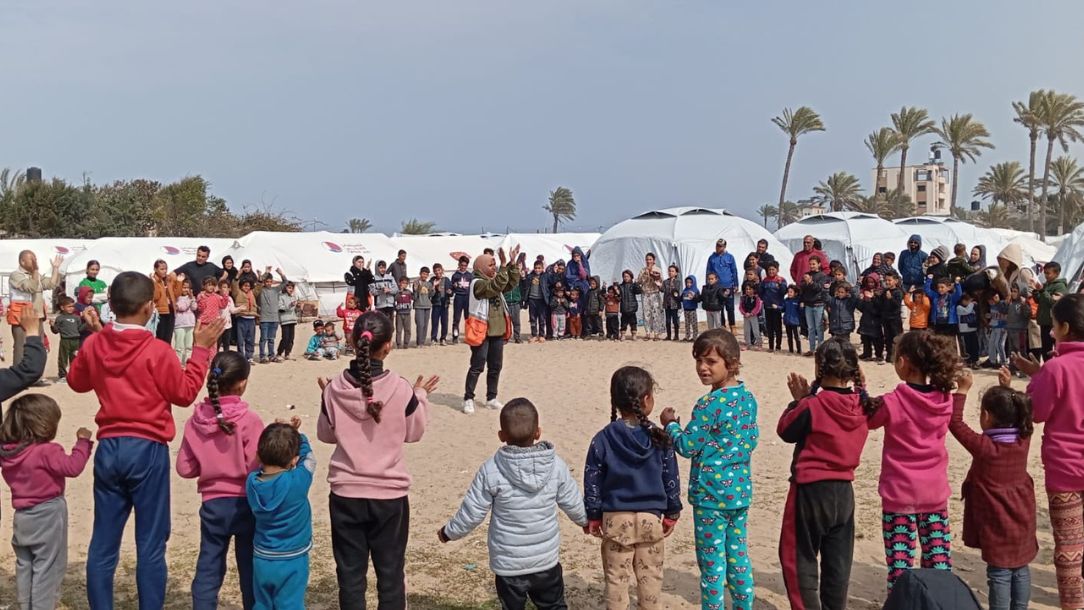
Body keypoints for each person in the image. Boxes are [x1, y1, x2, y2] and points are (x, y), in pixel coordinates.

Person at [67, 271, 224, 609]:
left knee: (103, 542)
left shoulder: (96, 343)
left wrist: (97, 338)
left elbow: (77, 383)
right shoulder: (158, 350)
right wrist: (200, 351)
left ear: (110, 304)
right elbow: (183, 394)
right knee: (151, 543)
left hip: (109, 447)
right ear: (150, 307)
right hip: (147, 448)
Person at [317, 310, 437, 610]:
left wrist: (329, 398)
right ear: (388, 346)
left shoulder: (334, 389)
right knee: (391, 573)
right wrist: (420, 396)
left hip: (346, 493)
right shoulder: (400, 387)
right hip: (389, 496)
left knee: (350, 576)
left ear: (352, 339)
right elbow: (414, 433)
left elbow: (326, 435)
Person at [440, 398, 584, 609]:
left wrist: (449, 532)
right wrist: (587, 521)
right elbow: (572, 501)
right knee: (554, 605)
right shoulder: (556, 466)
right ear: (538, 432)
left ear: (501, 436)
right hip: (545, 562)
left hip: (508, 566)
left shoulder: (491, 470)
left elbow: (472, 512)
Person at [660, 330, 757, 609]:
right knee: (738, 557)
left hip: (711, 497)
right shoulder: (747, 399)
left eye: (711, 361)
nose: (703, 367)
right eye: (699, 361)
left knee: (712, 563)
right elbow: (751, 439)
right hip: (739, 494)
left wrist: (671, 425)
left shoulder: (709, 404)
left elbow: (688, 445)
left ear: (732, 363)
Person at [777, 338, 871, 610]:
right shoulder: (862, 405)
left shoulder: (813, 405)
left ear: (819, 368)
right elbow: (869, 408)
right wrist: (862, 386)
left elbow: (785, 430)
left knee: (799, 558)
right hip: (844, 493)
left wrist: (799, 400)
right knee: (838, 562)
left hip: (810, 491)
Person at [866, 330, 960, 589]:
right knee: (939, 564)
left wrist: (861, 391)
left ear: (903, 362)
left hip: (900, 496)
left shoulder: (893, 402)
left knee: (900, 567)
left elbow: (869, 421)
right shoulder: (944, 400)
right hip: (934, 494)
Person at [586, 366, 681, 610]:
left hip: (616, 518)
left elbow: (592, 480)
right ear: (647, 399)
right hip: (651, 518)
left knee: (616, 579)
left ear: (615, 402)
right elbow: (670, 478)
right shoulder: (660, 438)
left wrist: (594, 514)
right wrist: (672, 512)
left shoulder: (603, 438)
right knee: (650, 578)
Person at [1010, 294, 1084, 609]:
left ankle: (1073, 604)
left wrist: (1038, 378)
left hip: (1065, 472)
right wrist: (1040, 374)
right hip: (1067, 469)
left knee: (1069, 547)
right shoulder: (1053, 368)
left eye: (1053, 325)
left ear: (1064, 327)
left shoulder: (1057, 368)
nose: (1051, 332)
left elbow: (1036, 412)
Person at [176, 352, 264, 609]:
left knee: (209, 565)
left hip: (213, 504)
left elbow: (184, 467)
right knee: (249, 566)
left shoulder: (196, 421)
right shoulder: (249, 420)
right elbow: (255, 465)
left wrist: (208, 461)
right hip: (245, 502)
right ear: (242, 383)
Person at [951, 370, 1037, 610]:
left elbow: (955, 422)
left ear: (986, 416)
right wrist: (1008, 389)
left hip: (996, 522)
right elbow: (1025, 417)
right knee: (1020, 568)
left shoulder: (985, 448)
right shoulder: (1023, 439)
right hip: (1022, 515)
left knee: (999, 572)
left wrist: (962, 390)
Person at [0, 394, 93, 610]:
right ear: (44, 425)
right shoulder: (47, 451)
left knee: (25, 564)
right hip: (48, 513)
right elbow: (73, 467)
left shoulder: (9, 453)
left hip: (22, 516)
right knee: (48, 566)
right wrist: (83, 442)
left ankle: (26, 605)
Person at [246, 419, 314, 610]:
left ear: (258, 455)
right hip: (293, 558)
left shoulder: (252, 482)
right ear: (294, 459)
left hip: (262, 556)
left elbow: (262, 467)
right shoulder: (298, 481)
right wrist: (298, 435)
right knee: (290, 604)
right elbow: (309, 459)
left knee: (262, 603)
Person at [462, 247, 521, 415]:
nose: (494, 267)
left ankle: (491, 398)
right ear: (480, 268)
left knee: (496, 366)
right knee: (477, 366)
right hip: (481, 331)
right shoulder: (477, 283)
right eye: (491, 264)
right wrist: (503, 265)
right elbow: (495, 286)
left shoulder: (494, 279)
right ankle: (468, 398)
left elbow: (510, 282)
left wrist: (512, 263)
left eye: (495, 264)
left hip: (497, 331)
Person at [9, 251, 62, 367]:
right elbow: (31, 287)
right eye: (32, 259)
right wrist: (35, 271)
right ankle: (19, 377)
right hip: (22, 317)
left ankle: (35, 377)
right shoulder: (16, 275)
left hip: (37, 317)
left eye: (35, 259)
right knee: (21, 347)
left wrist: (56, 269)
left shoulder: (36, 275)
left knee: (38, 346)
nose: (35, 262)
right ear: (22, 261)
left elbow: (51, 284)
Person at [1032, 261, 1069, 361]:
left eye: (1048, 273)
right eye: (1045, 273)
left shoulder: (1060, 286)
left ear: (1056, 273)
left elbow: (1053, 302)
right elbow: (1039, 300)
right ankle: (1047, 369)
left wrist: (1043, 291)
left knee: (1056, 348)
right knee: (1046, 349)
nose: (1046, 275)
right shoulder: (1046, 285)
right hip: (1045, 321)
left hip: (1054, 323)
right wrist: (1036, 291)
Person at [255, 267, 288, 364]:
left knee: (271, 339)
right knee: (263, 339)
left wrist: (281, 273)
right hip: (264, 319)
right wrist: (265, 273)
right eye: (267, 281)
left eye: (270, 281)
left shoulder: (275, 290)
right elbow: (259, 283)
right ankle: (262, 356)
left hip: (274, 318)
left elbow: (285, 282)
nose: (268, 283)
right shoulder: (261, 290)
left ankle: (271, 355)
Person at [706, 240, 739, 333]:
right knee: (719, 307)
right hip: (717, 287)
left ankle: (732, 325)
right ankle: (722, 326)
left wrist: (736, 284)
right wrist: (708, 285)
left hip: (728, 286)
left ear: (724, 247)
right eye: (717, 246)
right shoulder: (712, 258)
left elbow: (734, 271)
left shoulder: (730, 257)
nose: (719, 247)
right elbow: (708, 272)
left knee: (730, 307)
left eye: (721, 246)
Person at [50, 297, 84, 381]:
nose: (71, 308)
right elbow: (56, 331)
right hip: (65, 341)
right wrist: (52, 326)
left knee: (75, 358)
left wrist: (86, 322)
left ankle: (74, 374)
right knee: (63, 358)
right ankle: (62, 375)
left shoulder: (77, 318)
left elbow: (80, 329)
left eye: (73, 306)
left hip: (75, 341)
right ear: (62, 307)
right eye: (69, 306)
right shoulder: (60, 318)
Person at [800, 262, 829, 355]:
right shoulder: (807, 275)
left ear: (819, 264)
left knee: (819, 327)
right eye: (810, 264)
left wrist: (811, 282)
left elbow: (819, 288)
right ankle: (811, 349)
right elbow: (802, 287)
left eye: (814, 264)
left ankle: (820, 349)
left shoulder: (822, 276)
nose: (812, 266)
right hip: (808, 304)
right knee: (810, 328)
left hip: (818, 304)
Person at [637, 253, 665, 341]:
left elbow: (661, 282)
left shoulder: (657, 269)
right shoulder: (642, 270)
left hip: (654, 293)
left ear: (653, 260)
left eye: (650, 259)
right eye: (647, 259)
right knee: (646, 313)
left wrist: (655, 276)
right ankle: (648, 332)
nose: (648, 261)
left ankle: (657, 333)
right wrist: (645, 274)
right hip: (645, 293)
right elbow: (639, 281)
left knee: (656, 313)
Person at [856, 275, 884, 362]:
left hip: (875, 320)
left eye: (872, 282)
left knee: (877, 339)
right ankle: (867, 353)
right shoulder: (863, 292)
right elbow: (860, 308)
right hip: (866, 318)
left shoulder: (880, 292)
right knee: (865, 338)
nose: (870, 284)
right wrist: (861, 300)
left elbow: (880, 307)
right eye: (868, 282)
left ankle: (879, 355)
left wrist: (873, 298)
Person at [760, 262, 786, 352]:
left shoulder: (781, 280)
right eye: (769, 270)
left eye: (773, 269)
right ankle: (771, 346)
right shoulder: (765, 281)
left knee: (777, 327)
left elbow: (783, 292)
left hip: (777, 307)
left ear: (777, 270)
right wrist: (764, 299)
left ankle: (778, 346)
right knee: (769, 327)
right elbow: (761, 292)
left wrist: (781, 285)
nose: (771, 271)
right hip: (767, 307)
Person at [150, 260, 177, 344]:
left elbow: (176, 294)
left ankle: (166, 356)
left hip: (170, 310)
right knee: (160, 337)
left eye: (166, 269)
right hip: (160, 312)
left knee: (168, 337)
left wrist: (178, 281)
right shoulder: (153, 281)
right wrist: (154, 282)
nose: (165, 271)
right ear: (155, 269)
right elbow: (156, 296)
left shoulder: (168, 280)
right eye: (162, 269)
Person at [233, 279, 259, 363]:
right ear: (241, 286)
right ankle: (241, 357)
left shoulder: (253, 293)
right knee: (240, 340)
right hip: (242, 318)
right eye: (244, 286)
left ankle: (249, 356)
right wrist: (237, 276)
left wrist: (263, 276)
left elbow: (259, 287)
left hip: (251, 318)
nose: (246, 287)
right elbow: (234, 286)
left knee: (250, 339)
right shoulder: (238, 292)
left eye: (248, 286)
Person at [880, 274, 904, 362]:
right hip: (886, 318)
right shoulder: (885, 291)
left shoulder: (898, 292)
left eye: (889, 280)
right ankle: (889, 356)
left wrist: (890, 298)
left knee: (897, 338)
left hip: (895, 319)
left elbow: (897, 305)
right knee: (887, 338)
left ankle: (897, 356)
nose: (887, 282)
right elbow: (881, 304)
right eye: (886, 280)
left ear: (896, 281)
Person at [525, 260, 550, 344]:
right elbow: (525, 284)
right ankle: (534, 335)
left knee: (542, 318)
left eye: (539, 268)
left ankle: (542, 335)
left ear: (543, 268)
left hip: (541, 300)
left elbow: (550, 285)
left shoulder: (545, 276)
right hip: (532, 299)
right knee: (532, 318)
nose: (537, 270)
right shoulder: (530, 276)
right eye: (536, 268)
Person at [173, 280, 197, 365]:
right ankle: (178, 363)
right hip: (179, 325)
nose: (185, 290)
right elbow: (181, 307)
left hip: (190, 324)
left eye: (187, 288)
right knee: (179, 346)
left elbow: (194, 308)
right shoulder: (177, 297)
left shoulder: (191, 297)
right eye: (184, 287)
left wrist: (192, 299)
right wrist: (190, 300)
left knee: (189, 346)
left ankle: (187, 362)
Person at [451, 256, 474, 344]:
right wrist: (453, 287)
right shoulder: (455, 275)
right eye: (462, 265)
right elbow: (452, 287)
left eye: (465, 265)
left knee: (467, 318)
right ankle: (455, 336)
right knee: (456, 318)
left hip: (467, 297)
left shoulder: (470, 275)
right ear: (459, 264)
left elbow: (472, 287)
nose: (463, 267)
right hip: (459, 297)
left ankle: (468, 336)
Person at [429, 263, 452, 346]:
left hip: (444, 303)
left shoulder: (447, 279)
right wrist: (434, 287)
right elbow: (429, 293)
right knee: (435, 322)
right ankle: (433, 338)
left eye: (439, 270)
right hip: (436, 303)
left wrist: (450, 292)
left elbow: (451, 291)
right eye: (435, 271)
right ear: (434, 272)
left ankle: (443, 338)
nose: (438, 272)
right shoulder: (432, 280)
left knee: (444, 322)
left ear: (442, 270)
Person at [276, 281, 299, 361]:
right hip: (285, 320)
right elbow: (281, 308)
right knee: (285, 338)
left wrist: (298, 307)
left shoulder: (294, 297)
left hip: (292, 319)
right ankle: (279, 353)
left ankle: (287, 353)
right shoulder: (281, 296)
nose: (291, 289)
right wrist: (290, 305)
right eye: (289, 288)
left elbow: (294, 309)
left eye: (292, 288)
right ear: (285, 288)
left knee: (291, 338)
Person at [956, 293, 980, 368]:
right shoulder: (959, 307)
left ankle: (975, 361)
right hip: (964, 331)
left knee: (975, 347)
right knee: (967, 347)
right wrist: (971, 304)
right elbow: (967, 311)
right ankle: (968, 361)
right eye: (967, 301)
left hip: (973, 330)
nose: (968, 302)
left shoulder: (972, 307)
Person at [618, 270, 641, 339]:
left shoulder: (633, 285)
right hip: (624, 308)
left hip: (632, 308)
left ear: (631, 277)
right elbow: (618, 295)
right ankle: (623, 334)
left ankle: (634, 334)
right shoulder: (621, 286)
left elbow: (639, 291)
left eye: (627, 276)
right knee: (623, 323)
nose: (626, 278)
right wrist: (616, 290)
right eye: (624, 276)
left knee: (633, 322)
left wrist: (636, 284)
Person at [413, 267, 433, 347]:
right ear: (420, 273)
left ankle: (422, 342)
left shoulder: (429, 284)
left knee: (425, 325)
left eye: (427, 274)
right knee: (420, 324)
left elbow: (431, 295)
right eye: (424, 274)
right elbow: (414, 297)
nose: (425, 276)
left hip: (427, 306)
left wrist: (433, 289)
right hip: (419, 306)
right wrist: (416, 289)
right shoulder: (416, 282)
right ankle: (419, 342)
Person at [988, 293, 1009, 367]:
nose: (990, 302)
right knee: (991, 343)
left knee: (999, 344)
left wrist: (1005, 326)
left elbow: (1005, 312)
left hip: (1001, 327)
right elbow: (994, 316)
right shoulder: (991, 306)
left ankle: (1004, 362)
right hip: (994, 327)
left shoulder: (1002, 304)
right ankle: (993, 361)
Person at [662, 265, 682, 342]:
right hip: (667, 304)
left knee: (675, 320)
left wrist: (671, 285)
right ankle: (668, 335)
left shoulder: (678, 282)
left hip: (675, 304)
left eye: (672, 271)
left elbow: (676, 290)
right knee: (667, 320)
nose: (670, 272)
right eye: (669, 271)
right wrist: (659, 284)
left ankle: (676, 335)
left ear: (676, 273)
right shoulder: (665, 281)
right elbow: (663, 289)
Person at [218, 281, 239, 353]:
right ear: (219, 288)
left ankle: (225, 360)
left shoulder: (230, 298)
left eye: (227, 287)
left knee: (226, 344)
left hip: (228, 325)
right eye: (223, 287)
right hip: (218, 326)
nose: (225, 289)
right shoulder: (217, 298)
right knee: (217, 344)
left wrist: (240, 309)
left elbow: (232, 310)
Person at [739, 283, 763, 349]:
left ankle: (759, 343)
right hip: (746, 316)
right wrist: (744, 313)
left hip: (753, 316)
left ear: (753, 290)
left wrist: (751, 313)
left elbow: (758, 307)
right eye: (747, 289)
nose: (748, 290)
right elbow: (740, 307)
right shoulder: (743, 298)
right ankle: (748, 344)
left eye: (750, 289)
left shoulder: (756, 298)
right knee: (746, 331)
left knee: (755, 330)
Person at [394, 276, 414, 349]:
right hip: (399, 313)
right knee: (399, 330)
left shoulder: (409, 292)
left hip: (407, 313)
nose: (404, 285)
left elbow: (414, 297)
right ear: (399, 283)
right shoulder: (397, 292)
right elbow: (395, 299)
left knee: (407, 329)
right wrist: (400, 292)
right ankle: (399, 344)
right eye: (403, 283)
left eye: (406, 283)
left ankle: (406, 344)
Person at [680, 276, 700, 342]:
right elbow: (681, 299)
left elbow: (698, 299)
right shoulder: (684, 290)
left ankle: (695, 337)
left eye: (690, 283)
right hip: (686, 309)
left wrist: (693, 297)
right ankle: (687, 336)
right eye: (687, 282)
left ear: (693, 283)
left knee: (694, 324)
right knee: (687, 324)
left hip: (692, 310)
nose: (688, 284)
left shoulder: (696, 290)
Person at [784, 285, 803, 355]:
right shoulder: (786, 300)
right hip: (787, 322)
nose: (789, 293)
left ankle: (799, 350)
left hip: (795, 322)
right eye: (788, 292)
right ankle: (791, 350)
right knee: (789, 337)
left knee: (797, 337)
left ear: (795, 293)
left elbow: (801, 312)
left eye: (791, 292)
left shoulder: (797, 301)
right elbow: (783, 309)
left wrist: (801, 307)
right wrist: (777, 307)